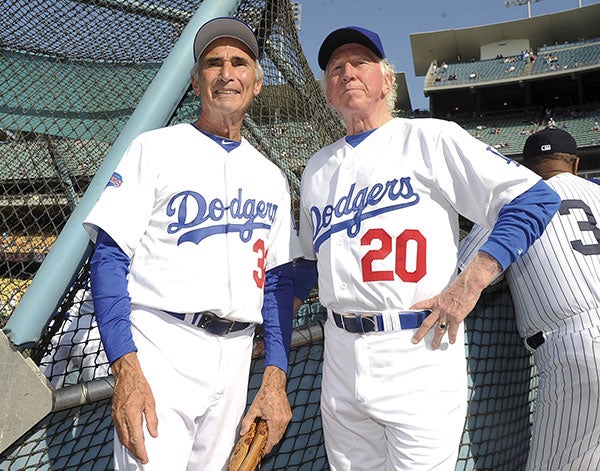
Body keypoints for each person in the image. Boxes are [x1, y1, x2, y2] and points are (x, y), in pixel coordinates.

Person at [293, 26, 561, 470]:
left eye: (360, 62)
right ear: (326, 90)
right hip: (339, 354)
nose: (347, 72)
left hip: (416, 344)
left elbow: (534, 197)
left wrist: (469, 285)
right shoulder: (317, 169)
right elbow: (307, 263)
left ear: (386, 79)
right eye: (336, 68)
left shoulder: (430, 137)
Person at [83, 17, 295, 470]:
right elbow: (108, 257)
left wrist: (274, 380)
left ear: (256, 84)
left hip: (237, 354)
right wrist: (126, 369)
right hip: (162, 345)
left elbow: (276, 284)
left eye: (239, 62)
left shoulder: (272, 177)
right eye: (213, 63)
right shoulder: (154, 148)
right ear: (197, 81)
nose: (226, 73)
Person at [458, 128, 600, 470]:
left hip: (577, 350)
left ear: (523, 166)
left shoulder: (516, 198)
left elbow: (460, 271)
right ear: (576, 164)